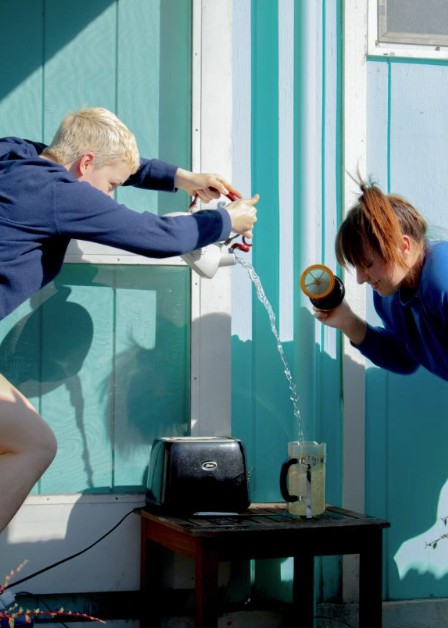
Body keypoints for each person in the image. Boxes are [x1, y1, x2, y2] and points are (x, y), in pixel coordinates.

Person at [0, 106, 259, 534]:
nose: (110, 198)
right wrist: (227, 220)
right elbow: (156, 237)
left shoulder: (16, 156)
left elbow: (108, 163)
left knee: (27, 442)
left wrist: (181, 178)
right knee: (35, 444)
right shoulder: (60, 192)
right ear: (84, 165)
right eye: (112, 186)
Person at [313, 179, 448, 627]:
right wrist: (350, 323)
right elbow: (409, 360)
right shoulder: (395, 296)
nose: (362, 277)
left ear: (403, 245)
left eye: (367, 264)